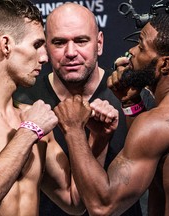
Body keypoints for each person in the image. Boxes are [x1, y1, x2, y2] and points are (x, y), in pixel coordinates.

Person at [0, 0, 119, 215]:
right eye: (36, 45)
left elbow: (75, 201)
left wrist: (98, 138)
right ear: (6, 45)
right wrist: (28, 132)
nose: (45, 57)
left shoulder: (31, 115)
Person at [53, 14, 169, 216]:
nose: (132, 51)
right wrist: (131, 103)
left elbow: (103, 206)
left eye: (141, 46)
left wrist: (74, 129)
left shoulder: (157, 123)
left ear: (165, 64)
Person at [13, 2, 147, 215]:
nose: (71, 52)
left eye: (81, 41)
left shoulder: (132, 99)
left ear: (99, 43)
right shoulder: (22, 101)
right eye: (59, 43)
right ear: (46, 46)